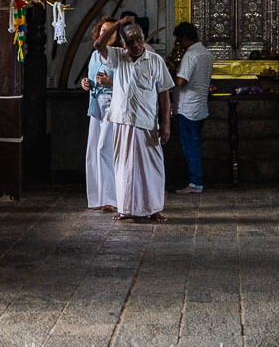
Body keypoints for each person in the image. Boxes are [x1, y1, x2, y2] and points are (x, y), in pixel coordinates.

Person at [94, 19, 173, 222]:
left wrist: (166, 123)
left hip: (147, 122)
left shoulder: (155, 61)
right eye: (130, 41)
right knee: (124, 168)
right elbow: (98, 45)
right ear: (123, 44)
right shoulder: (118, 58)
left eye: (139, 39)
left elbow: (164, 93)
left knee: (152, 167)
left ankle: (154, 208)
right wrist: (118, 23)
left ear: (143, 39)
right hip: (123, 121)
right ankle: (126, 208)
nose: (136, 44)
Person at [171, 22, 213, 194]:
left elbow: (182, 81)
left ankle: (196, 182)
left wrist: (167, 77)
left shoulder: (191, 55)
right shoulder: (206, 53)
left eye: (179, 40)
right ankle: (196, 180)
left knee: (190, 146)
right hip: (201, 106)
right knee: (194, 145)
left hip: (188, 108)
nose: (178, 44)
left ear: (184, 38)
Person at [80, 19, 116, 213]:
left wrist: (111, 82)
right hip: (95, 105)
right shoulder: (94, 56)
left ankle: (111, 197)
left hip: (112, 105)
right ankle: (96, 198)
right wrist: (85, 83)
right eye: (103, 31)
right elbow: (91, 78)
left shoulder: (120, 55)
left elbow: (128, 82)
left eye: (111, 32)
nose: (107, 35)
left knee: (105, 148)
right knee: (92, 150)